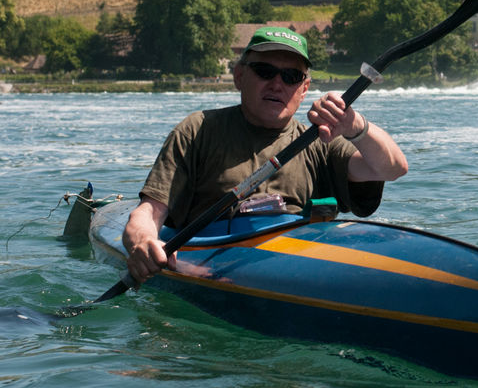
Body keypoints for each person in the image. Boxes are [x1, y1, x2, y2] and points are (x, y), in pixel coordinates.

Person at [123, 26, 408, 284]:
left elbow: (392, 168)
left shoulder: (320, 141)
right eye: (264, 71)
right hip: (209, 262)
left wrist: (355, 125)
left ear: (304, 88)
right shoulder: (197, 130)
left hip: (296, 261)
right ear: (239, 76)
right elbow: (148, 213)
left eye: (291, 76)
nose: (277, 84)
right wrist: (145, 242)